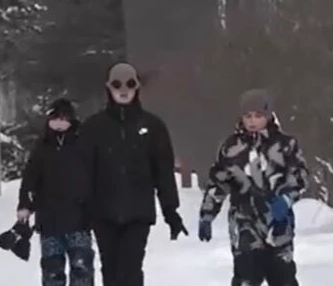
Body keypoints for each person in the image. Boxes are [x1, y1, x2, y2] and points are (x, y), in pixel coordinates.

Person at [83, 62, 186, 286]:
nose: (123, 89)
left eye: (130, 84)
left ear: (137, 88)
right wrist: (80, 208)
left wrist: (171, 211)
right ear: (109, 88)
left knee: (130, 269)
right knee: (110, 271)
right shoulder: (93, 127)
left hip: (138, 212)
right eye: (117, 84)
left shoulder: (152, 126)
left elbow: (163, 173)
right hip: (103, 213)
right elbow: (82, 172)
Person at [196, 89, 308, 286]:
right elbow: (219, 182)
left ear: (268, 115)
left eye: (258, 115)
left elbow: (299, 178)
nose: (252, 121)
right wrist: (207, 214)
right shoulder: (231, 147)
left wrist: (287, 199)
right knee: (246, 277)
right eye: (248, 116)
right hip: (244, 222)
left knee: (283, 277)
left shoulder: (285, 145)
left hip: (279, 222)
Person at [17, 98, 94, 286]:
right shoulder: (42, 146)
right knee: (52, 272)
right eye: (55, 119)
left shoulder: (84, 144)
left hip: (79, 219)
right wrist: (25, 205)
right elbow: (30, 178)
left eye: (64, 119)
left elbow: (96, 177)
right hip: (49, 220)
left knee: (82, 269)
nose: (59, 124)